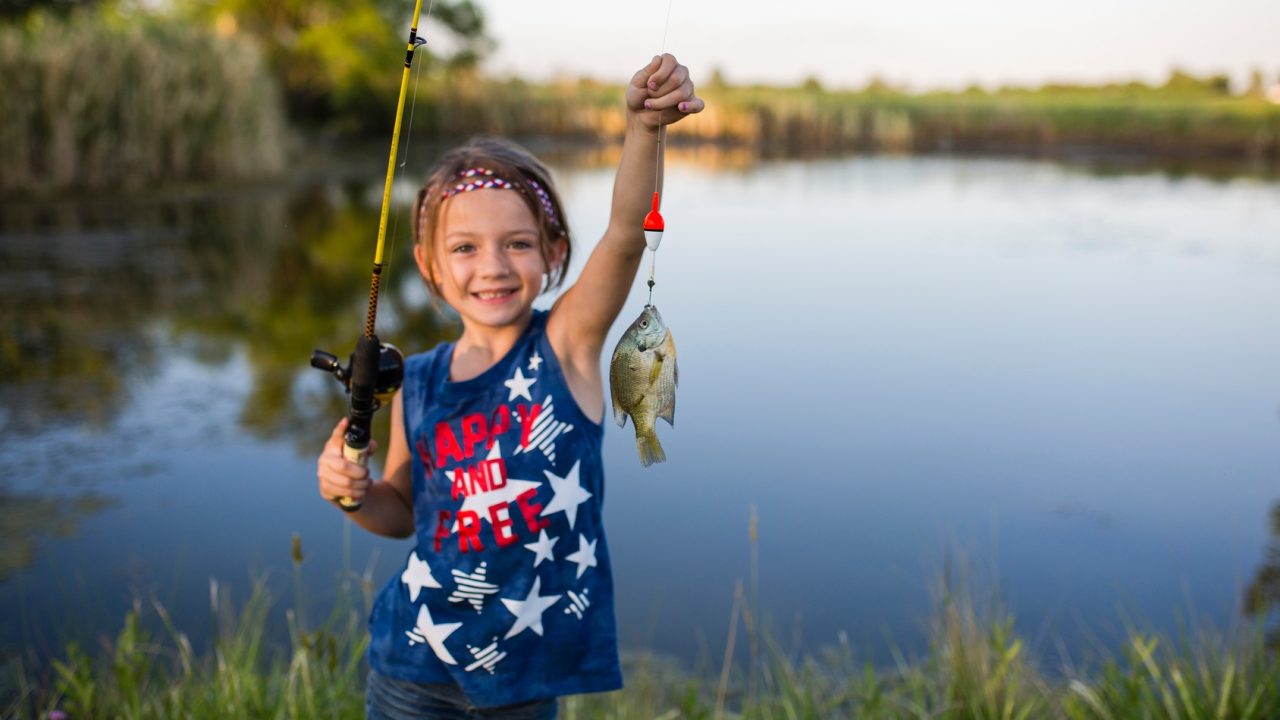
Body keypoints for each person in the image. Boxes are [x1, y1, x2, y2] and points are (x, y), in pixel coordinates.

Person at [316, 54, 703, 719]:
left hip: (525, 675)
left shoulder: (568, 347)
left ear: (555, 252)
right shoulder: (421, 380)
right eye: (464, 248)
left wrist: (644, 130)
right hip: (411, 665)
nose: (491, 267)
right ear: (429, 267)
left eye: (518, 243)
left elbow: (625, 233)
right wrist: (350, 496)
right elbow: (403, 513)